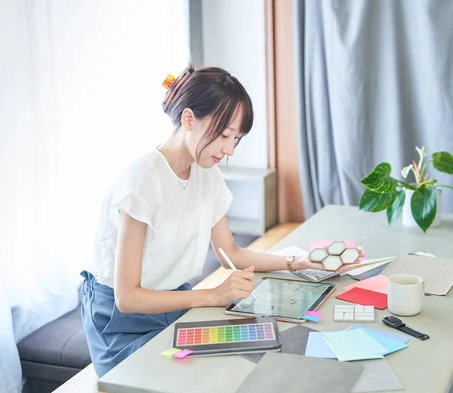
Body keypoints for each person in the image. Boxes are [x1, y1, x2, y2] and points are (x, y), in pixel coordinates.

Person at [80, 65, 324, 377]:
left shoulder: (206, 173)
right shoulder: (142, 179)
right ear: (188, 119)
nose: (229, 149)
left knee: (245, 366)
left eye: (237, 138)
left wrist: (299, 262)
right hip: (120, 321)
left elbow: (231, 254)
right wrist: (212, 296)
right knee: (188, 380)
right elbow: (127, 298)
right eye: (224, 135)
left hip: (174, 302)